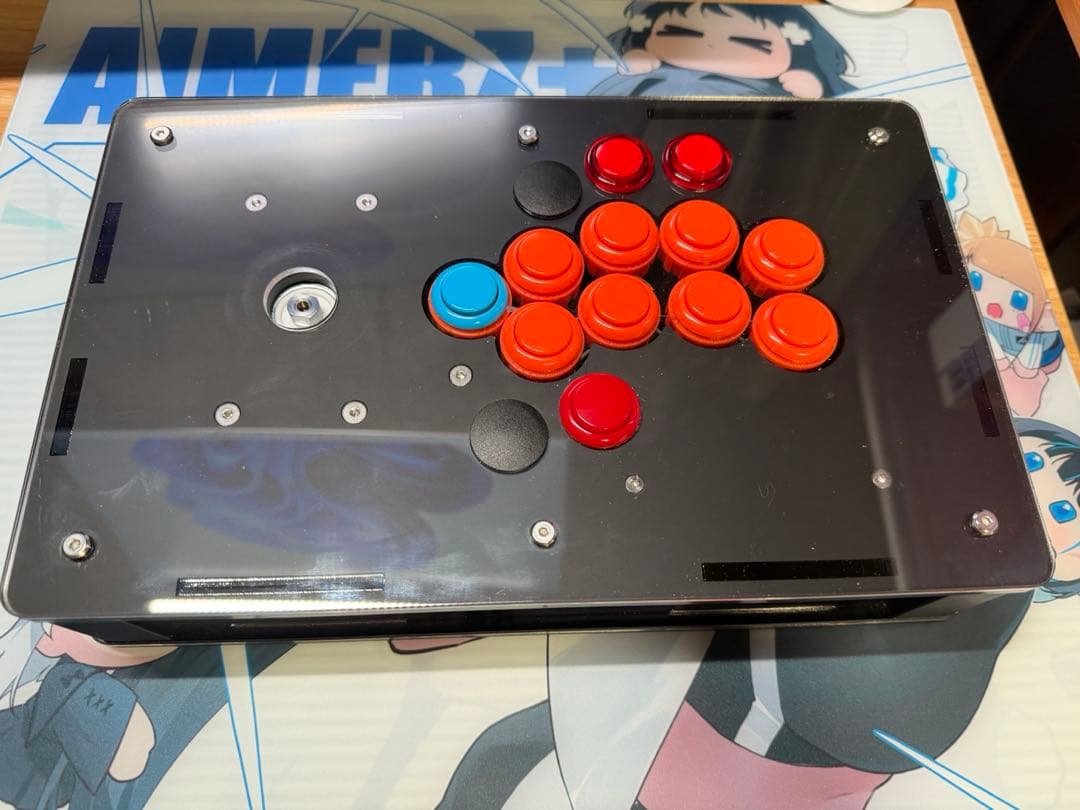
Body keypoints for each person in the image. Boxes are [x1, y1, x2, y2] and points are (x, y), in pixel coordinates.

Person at [589, 3, 856, 98]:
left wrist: (815, 88)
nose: (710, 47)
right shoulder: (649, 74)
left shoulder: (786, 83)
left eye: (748, 42)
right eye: (681, 33)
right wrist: (630, 66)